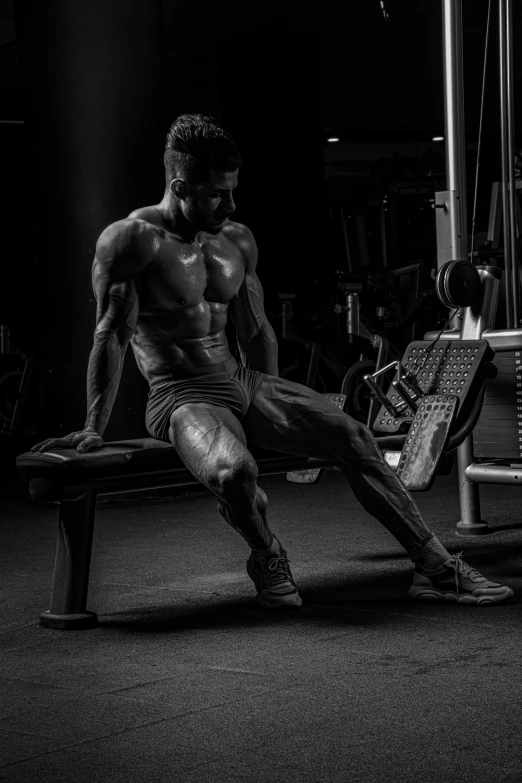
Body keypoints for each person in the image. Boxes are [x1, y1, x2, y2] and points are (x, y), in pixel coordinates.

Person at [32, 114, 513, 609]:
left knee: (353, 435)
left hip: (243, 381)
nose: (231, 204)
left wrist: (281, 402)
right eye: (217, 193)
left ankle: (434, 566)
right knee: (233, 474)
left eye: (233, 190)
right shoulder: (131, 241)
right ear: (180, 186)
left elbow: (256, 329)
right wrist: (93, 425)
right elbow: (111, 335)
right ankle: (267, 553)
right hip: (182, 395)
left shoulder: (235, 240)